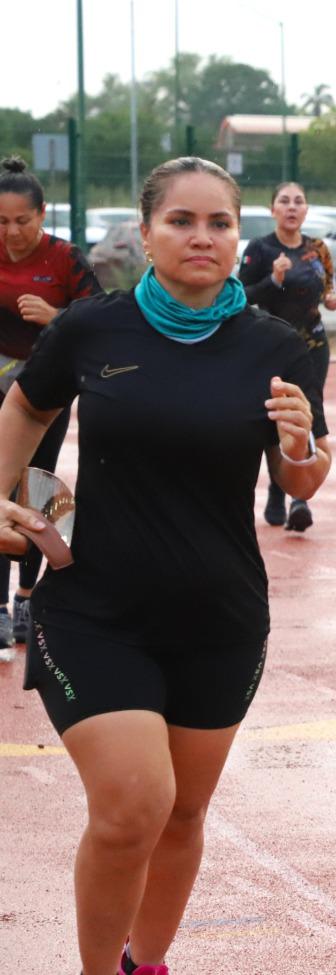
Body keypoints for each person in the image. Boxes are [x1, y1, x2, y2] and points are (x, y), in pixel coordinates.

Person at [0, 156, 329, 975]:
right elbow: (25, 404)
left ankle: (143, 963)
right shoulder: (91, 328)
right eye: (181, 220)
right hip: (93, 609)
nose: (202, 236)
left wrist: (300, 448)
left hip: (219, 617)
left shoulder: (277, 344)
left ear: (237, 234)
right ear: (146, 233)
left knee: (182, 814)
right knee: (133, 806)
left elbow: (301, 474)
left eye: (220, 222)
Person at [0, 156, 102, 660]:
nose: (13, 232)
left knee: (35, 486)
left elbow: (100, 320)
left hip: (44, 393)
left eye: (22, 220)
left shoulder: (64, 259)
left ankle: (25, 598)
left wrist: (56, 316)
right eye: (1, 222)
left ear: (42, 215)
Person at [238, 181, 336, 532]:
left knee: (305, 413)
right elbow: (242, 294)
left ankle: (299, 498)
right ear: (273, 210)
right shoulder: (260, 249)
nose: (292, 207)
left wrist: (331, 298)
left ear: (306, 210)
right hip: (269, 347)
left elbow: (330, 283)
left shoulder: (317, 249)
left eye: (299, 201)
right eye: (284, 201)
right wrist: (274, 279)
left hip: (312, 345)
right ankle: (279, 492)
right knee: (274, 418)